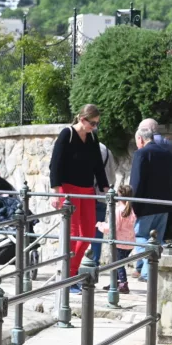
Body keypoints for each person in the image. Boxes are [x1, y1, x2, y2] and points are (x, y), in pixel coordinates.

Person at [49, 104, 110, 290]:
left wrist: (105, 187)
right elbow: (55, 164)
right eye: (92, 123)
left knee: (89, 233)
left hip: (87, 190)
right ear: (82, 119)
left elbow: (98, 164)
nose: (95, 127)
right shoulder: (66, 134)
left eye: (97, 123)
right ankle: (68, 276)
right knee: (73, 234)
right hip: (69, 190)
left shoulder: (92, 137)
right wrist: (56, 192)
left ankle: (72, 272)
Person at [129, 120, 172, 282]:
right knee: (158, 238)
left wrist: (132, 204)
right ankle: (148, 273)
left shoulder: (141, 154)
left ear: (140, 139)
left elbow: (136, 182)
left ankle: (148, 273)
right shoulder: (167, 154)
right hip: (164, 204)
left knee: (140, 236)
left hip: (146, 206)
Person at [96, 183, 136, 294]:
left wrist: (101, 225)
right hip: (130, 243)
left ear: (119, 195)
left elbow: (113, 227)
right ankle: (115, 282)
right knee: (120, 263)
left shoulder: (118, 210)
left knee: (118, 264)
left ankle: (123, 283)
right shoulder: (130, 210)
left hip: (119, 243)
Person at [90, 140, 117, 265]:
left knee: (79, 231)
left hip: (84, 196)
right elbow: (112, 176)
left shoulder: (83, 147)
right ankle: (94, 262)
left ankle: (79, 263)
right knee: (97, 231)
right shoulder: (106, 150)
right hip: (101, 196)